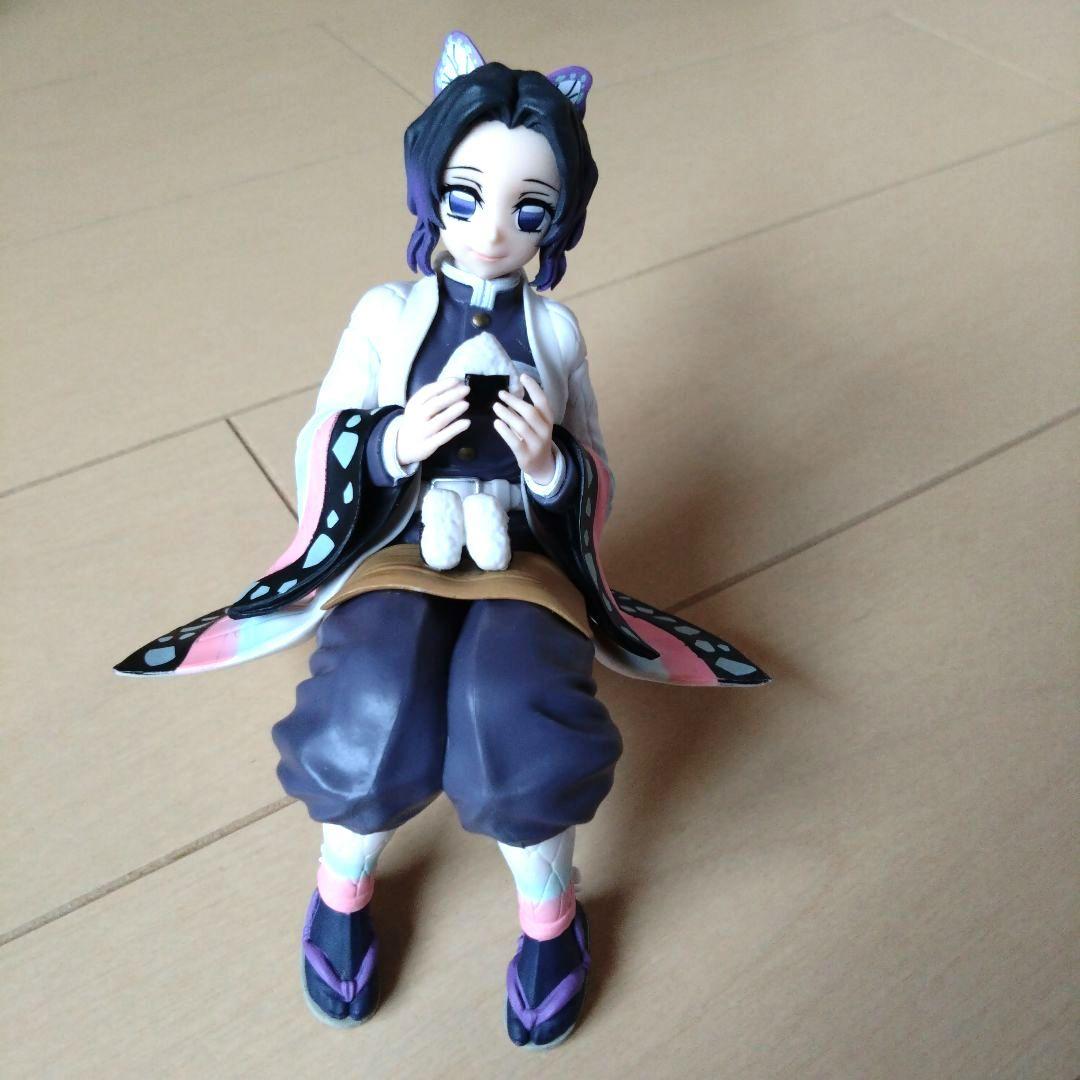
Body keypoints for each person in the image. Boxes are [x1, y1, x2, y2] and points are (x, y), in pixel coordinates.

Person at [115, 31, 769, 1051]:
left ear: (559, 220)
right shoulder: (386, 316)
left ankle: (550, 912)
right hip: (398, 538)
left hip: (524, 555)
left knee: (514, 714)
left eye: (529, 210)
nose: (494, 230)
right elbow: (320, 439)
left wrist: (550, 465)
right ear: (431, 194)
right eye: (467, 198)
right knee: (369, 703)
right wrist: (389, 441)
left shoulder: (556, 335)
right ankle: (342, 880)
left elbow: (595, 472)